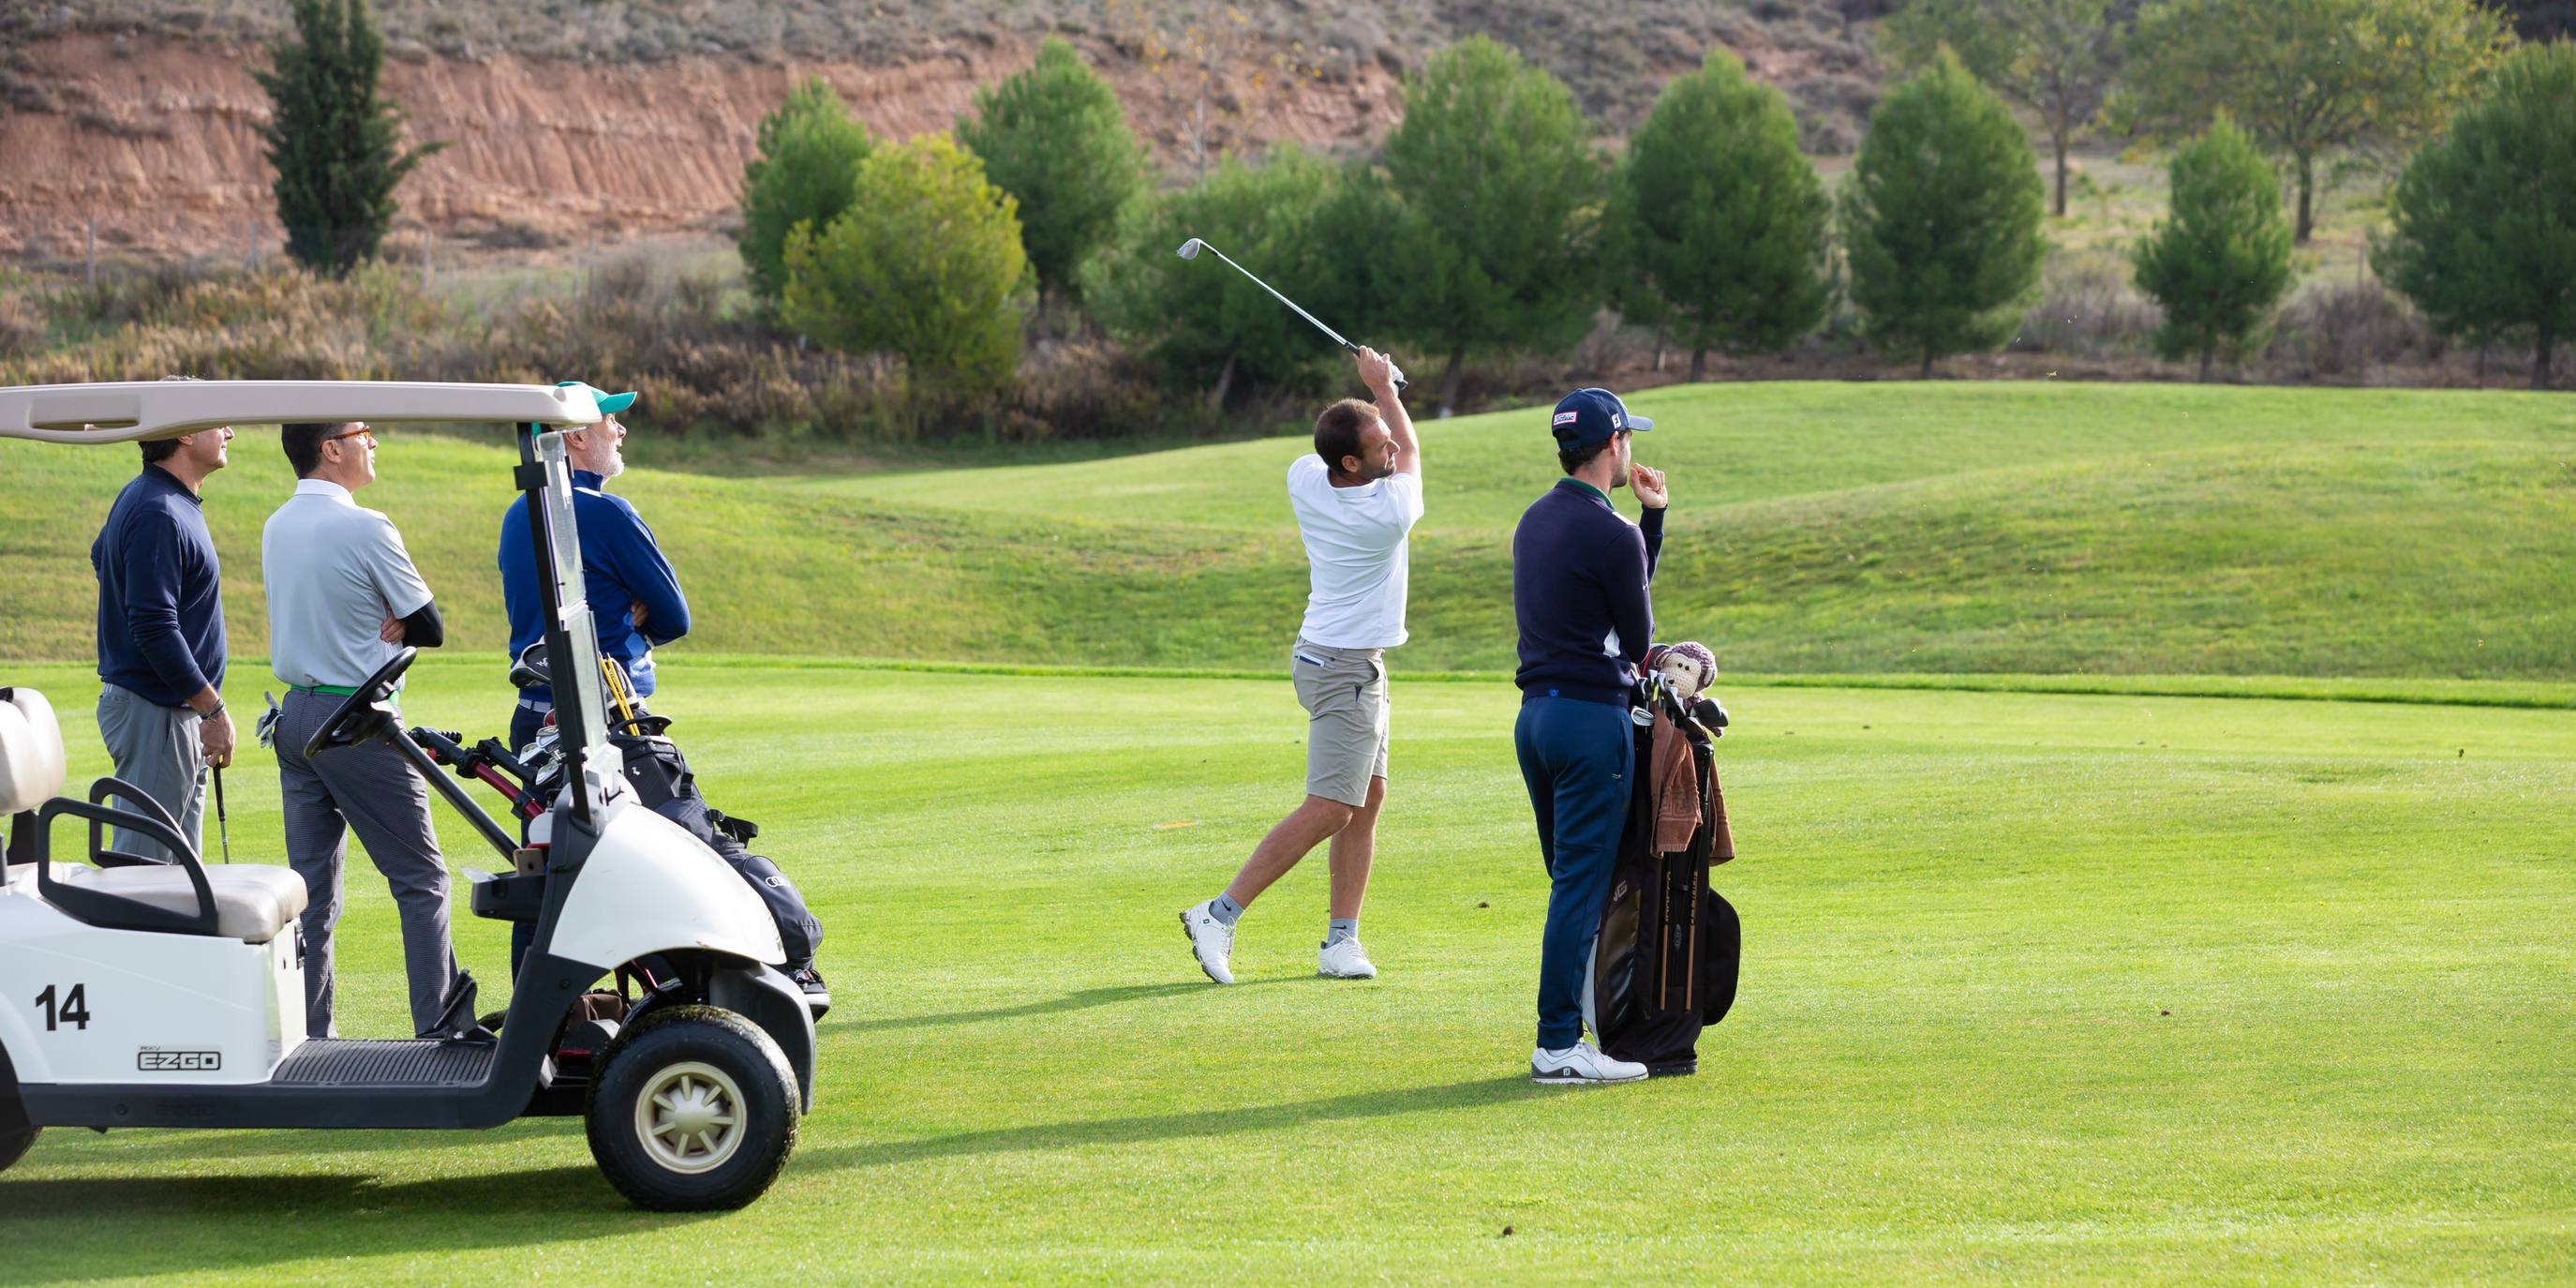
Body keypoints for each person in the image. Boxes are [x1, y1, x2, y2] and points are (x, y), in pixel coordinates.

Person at [1181, 346, 1421, 983]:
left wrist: (1372, 396)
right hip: (1344, 666)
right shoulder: (1386, 515)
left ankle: (1341, 941)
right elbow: (1414, 456)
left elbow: (1382, 448)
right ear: (1351, 464)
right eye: (1379, 447)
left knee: (1367, 798)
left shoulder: (1303, 476)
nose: (1392, 448)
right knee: (1332, 807)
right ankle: (1219, 912)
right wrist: (1384, 388)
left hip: (1334, 657)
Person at [262, 421, 464, 1039]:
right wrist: (400, 621)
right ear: (331, 449)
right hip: (357, 722)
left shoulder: (278, 523)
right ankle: (441, 1029)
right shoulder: (366, 525)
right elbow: (428, 626)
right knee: (422, 881)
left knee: (313, 897)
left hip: (293, 718)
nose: (373, 443)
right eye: (363, 434)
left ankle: (309, 1036)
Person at [1511, 387, 1670, 1085]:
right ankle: (1556, 1044)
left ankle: (1575, 1025)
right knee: (1579, 887)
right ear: (1612, 446)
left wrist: (1649, 523)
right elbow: (1636, 639)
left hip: (1536, 720)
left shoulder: (1534, 519)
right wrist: (1648, 527)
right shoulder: (1614, 533)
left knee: (1567, 885)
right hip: (1587, 723)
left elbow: (1605, 602)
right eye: (1626, 437)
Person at [497, 382, 690, 753]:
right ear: (578, 438)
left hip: (530, 718)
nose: (621, 431)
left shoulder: (517, 512)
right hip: (605, 714)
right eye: (610, 419)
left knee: (545, 813)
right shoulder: (608, 512)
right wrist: (639, 614)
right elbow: (677, 618)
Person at [90, 415, 236, 861]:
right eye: (220, 423)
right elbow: (154, 625)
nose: (230, 432)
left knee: (179, 880)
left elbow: (102, 557)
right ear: (185, 432)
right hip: (158, 714)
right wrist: (212, 708)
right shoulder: (158, 508)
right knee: (147, 878)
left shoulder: (160, 498)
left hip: (171, 714)